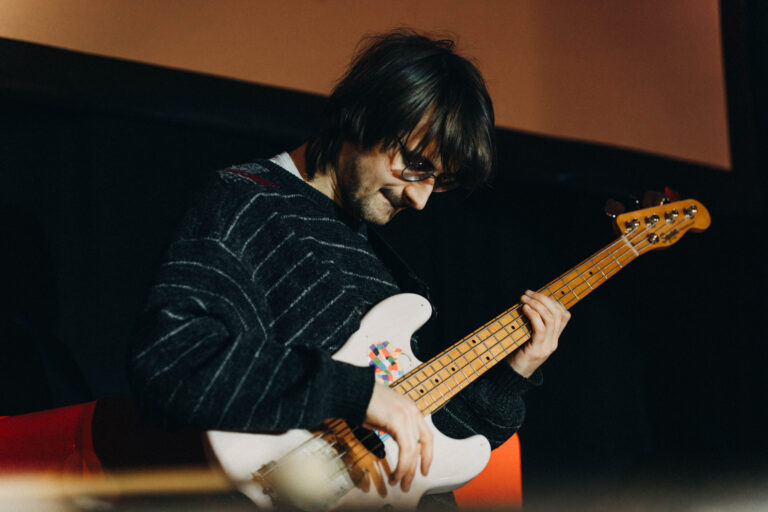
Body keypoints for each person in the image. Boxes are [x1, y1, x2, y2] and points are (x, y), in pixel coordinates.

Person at [129, 29, 570, 505]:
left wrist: (514, 373)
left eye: (438, 182)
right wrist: (355, 393)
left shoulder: (380, 264)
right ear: (364, 114)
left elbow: (432, 446)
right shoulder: (245, 202)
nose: (421, 199)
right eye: (416, 164)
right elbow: (171, 360)